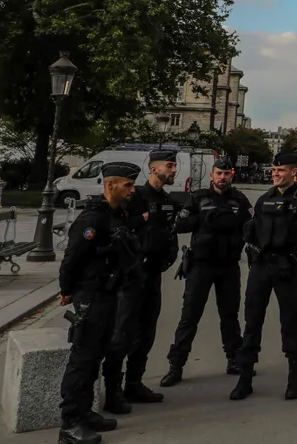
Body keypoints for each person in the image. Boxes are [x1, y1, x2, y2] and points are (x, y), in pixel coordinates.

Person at [230, 151, 297, 402]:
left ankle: (294, 378)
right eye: (274, 170)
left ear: (294, 172)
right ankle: (245, 379)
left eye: (281, 170)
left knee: (290, 322)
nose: (275, 174)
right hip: (261, 267)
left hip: (288, 268)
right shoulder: (264, 199)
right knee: (252, 320)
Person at [57, 162, 141, 444]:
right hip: (90, 295)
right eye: (128, 185)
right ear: (110, 186)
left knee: (96, 355)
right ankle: (70, 424)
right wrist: (66, 290)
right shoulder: (92, 220)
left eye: (133, 185)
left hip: (109, 294)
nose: (132, 190)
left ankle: (85, 413)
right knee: (82, 358)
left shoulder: (117, 215)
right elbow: (72, 258)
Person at [161, 156, 252, 385]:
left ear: (232, 175)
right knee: (189, 316)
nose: (222, 177)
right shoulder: (198, 198)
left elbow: (252, 227)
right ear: (211, 175)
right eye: (218, 173)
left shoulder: (239, 200)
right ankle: (176, 365)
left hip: (229, 265)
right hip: (201, 265)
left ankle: (234, 358)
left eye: (226, 173)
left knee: (230, 315)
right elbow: (179, 226)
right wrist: (202, 217)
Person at [105, 148, 180, 405]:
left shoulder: (168, 199)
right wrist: (144, 218)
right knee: (122, 332)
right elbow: (118, 228)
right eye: (169, 166)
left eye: (174, 166)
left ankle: (134, 384)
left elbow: (170, 231)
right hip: (132, 275)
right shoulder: (135, 196)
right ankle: (113, 389)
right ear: (153, 169)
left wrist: (170, 255)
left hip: (153, 273)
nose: (174, 171)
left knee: (146, 332)